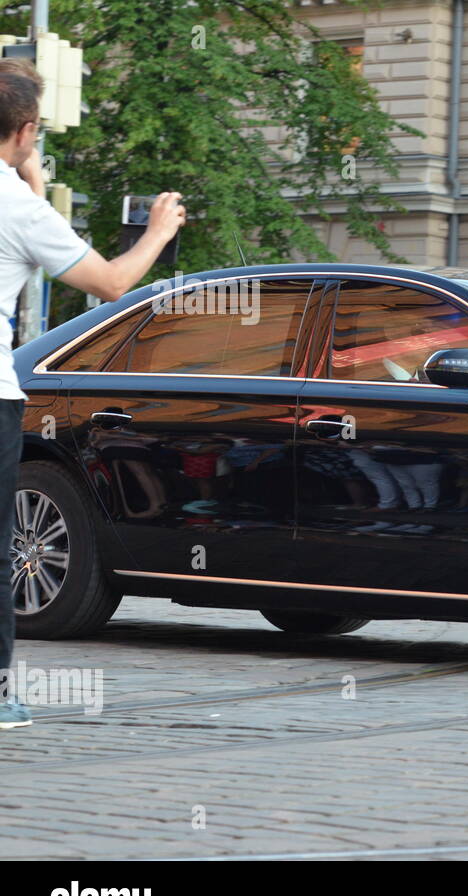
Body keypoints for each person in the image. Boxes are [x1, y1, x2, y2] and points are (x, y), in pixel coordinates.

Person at [0, 63, 186, 729]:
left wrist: (33, 188)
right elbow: (109, 283)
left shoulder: (23, 202)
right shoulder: (20, 210)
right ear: (24, 131)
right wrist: (158, 232)